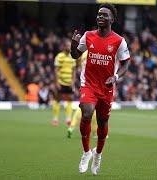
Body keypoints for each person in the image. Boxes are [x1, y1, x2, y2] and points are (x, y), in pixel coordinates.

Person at [70, 3, 130, 175]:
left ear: (112, 19)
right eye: (98, 14)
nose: (100, 17)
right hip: (88, 83)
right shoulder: (88, 36)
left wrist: (116, 76)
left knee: (103, 122)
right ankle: (86, 152)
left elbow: (126, 63)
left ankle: (98, 154)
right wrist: (73, 45)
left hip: (106, 87)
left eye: (104, 15)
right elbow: (75, 55)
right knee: (86, 113)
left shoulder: (119, 41)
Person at [52, 39, 76, 126]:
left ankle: (68, 119)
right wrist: (57, 82)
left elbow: (74, 70)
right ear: (64, 47)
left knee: (70, 100)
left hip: (69, 82)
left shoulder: (72, 57)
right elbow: (56, 70)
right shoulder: (59, 56)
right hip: (61, 82)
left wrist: (73, 81)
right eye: (67, 46)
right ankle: (55, 119)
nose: (69, 47)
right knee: (57, 99)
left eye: (69, 46)